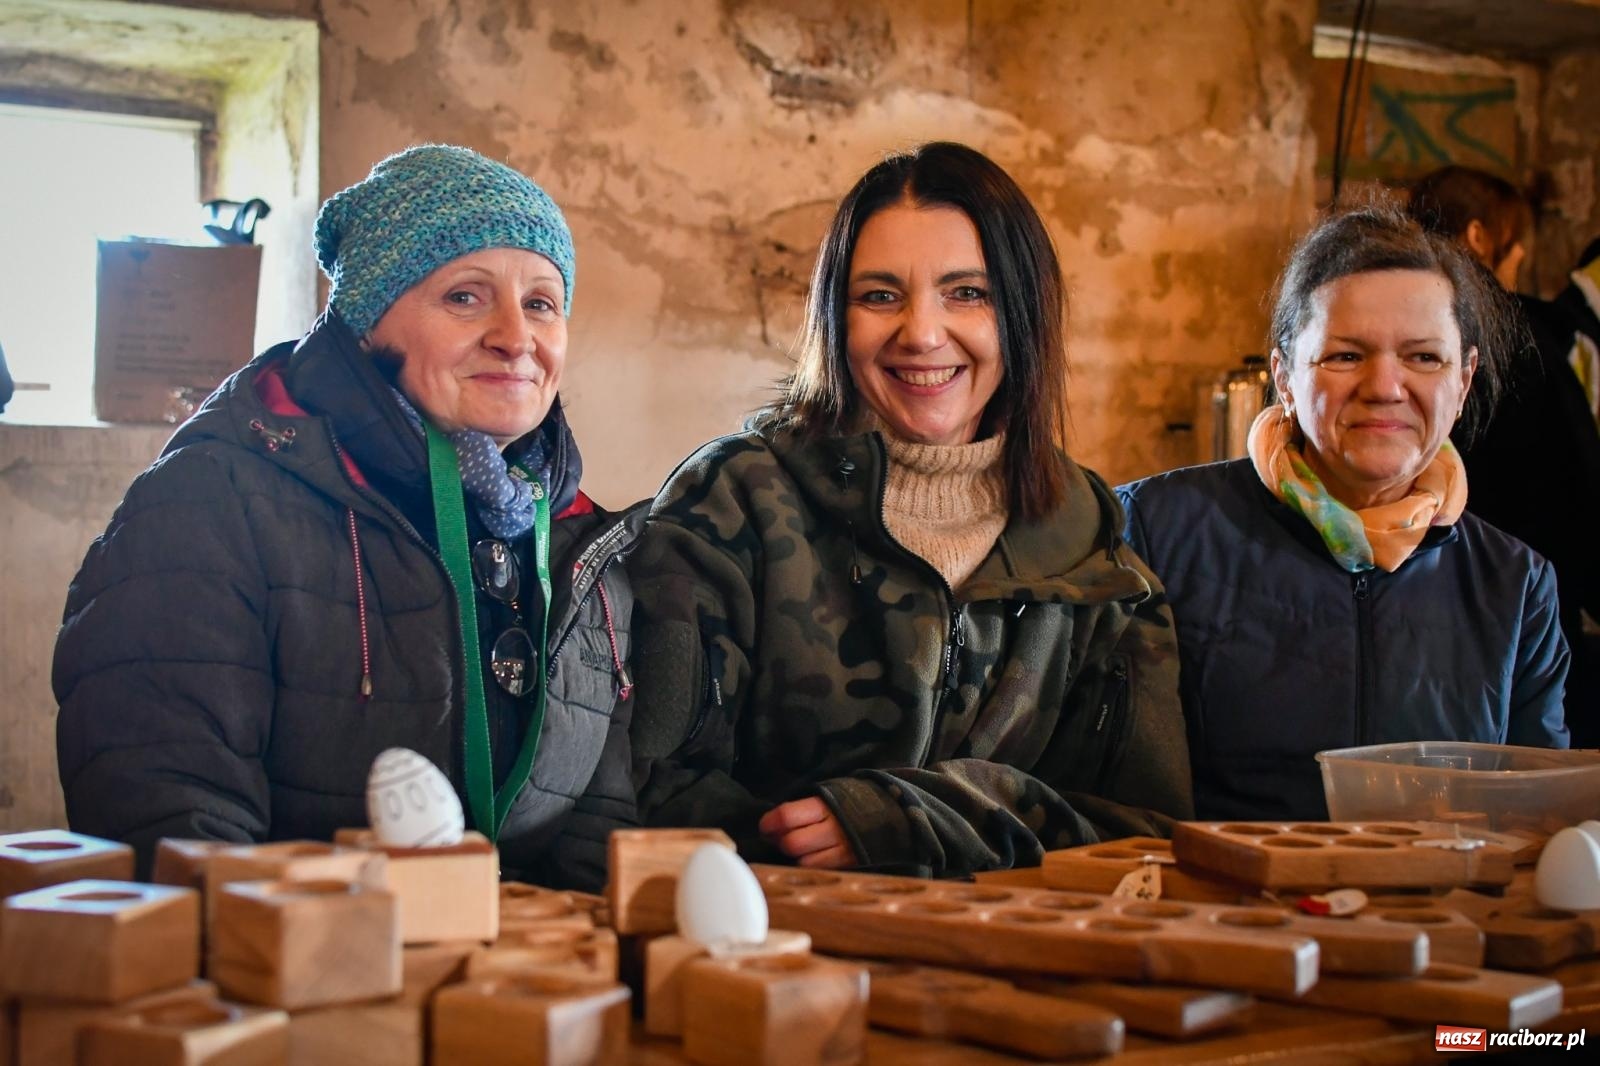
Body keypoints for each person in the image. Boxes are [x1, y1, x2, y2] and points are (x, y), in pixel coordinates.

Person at [55, 145, 641, 889]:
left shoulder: (586, 546)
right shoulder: (213, 502)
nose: (515, 336)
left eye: (541, 302)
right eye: (465, 296)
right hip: (293, 981)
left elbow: (602, 829)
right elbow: (168, 815)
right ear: (367, 321)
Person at [627, 142, 1192, 877]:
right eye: (880, 295)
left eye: (967, 293)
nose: (922, 333)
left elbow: (1151, 836)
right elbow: (645, 791)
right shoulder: (732, 503)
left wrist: (916, 817)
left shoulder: (1087, 539)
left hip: (1023, 969)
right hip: (781, 960)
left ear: (1022, 315)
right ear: (837, 317)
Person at [1118, 203, 1570, 822]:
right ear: (1284, 375)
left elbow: (1537, 820)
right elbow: (1104, 789)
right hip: (1220, 909)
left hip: (1435, 915)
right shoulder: (1154, 531)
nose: (1385, 386)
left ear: (1464, 380)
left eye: (1424, 358)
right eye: (1346, 356)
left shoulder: (1515, 588)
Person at [1409, 166, 1600, 742]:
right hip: (1515, 621)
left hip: (1411, 611)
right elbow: (1581, 498)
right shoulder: (1524, 340)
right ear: (1478, 236)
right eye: (1516, 253)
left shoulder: (1394, 329)